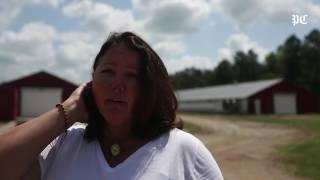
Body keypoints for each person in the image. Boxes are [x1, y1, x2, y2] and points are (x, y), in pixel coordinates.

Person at [0, 31, 224, 180]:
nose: (117, 85)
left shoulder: (186, 151)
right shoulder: (63, 144)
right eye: (108, 72)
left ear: (149, 88)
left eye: (131, 76)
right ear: (91, 81)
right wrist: (68, 110)